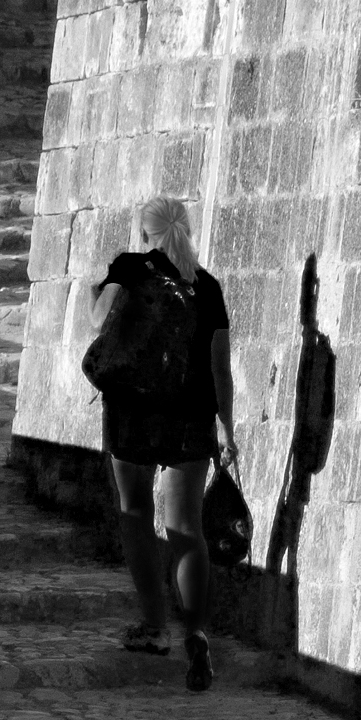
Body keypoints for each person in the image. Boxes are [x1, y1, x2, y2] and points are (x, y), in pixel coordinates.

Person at [88, 197, 236, 692]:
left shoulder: (130, 268)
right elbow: (220, 369)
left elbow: (98, 322)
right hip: (190, 417)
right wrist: (226, 427)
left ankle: (154, 627)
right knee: (186, 529)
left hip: (132, 411)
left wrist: (95, 291)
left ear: (144, 233)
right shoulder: (207, 286)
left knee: (135, 513)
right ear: (186, 231)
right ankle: (196, 633)